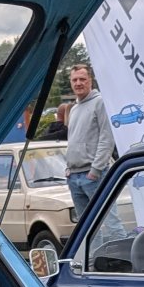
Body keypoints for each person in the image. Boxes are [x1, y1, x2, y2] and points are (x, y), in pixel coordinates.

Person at [62, 64, 116, 218]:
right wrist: (68, 168)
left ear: (90, 81)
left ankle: (119, 243)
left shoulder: (100, 103)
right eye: (74, 80)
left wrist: (96, 170)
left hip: (94, 176)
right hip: (74, 176)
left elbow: (107, 138)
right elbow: (73, 141)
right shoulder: (73, 109)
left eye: (82, 79)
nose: (78, 83)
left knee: (111, 222)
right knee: (86, 229)